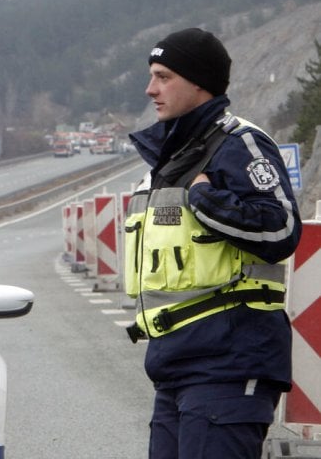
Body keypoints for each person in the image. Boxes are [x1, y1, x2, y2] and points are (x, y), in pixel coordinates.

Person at [123, 28, 302, 459]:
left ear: (198, 82)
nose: (151, 89)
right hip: (175, 368)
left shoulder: (238, 144)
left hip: (229, 365)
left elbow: (280, 229)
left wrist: (206, 199)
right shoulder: (172, 158)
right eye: (151, 76)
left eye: (163, 76)